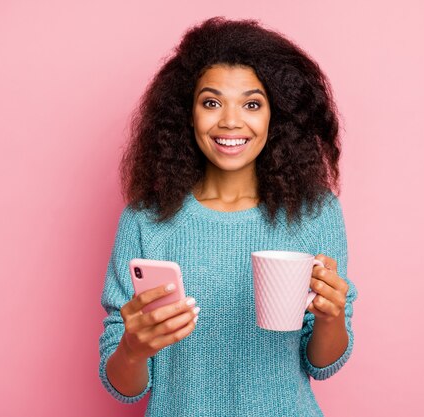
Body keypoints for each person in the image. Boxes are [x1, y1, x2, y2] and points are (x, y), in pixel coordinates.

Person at [99, 16, 358, 417]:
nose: (231, 121)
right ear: (187, 113)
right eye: (211, 102)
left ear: (277, 116)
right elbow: (123, 386)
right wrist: (133, 349)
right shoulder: (145, 221)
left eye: (252, 104)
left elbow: (322, 364)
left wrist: (331, 316)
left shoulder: (315, 213)